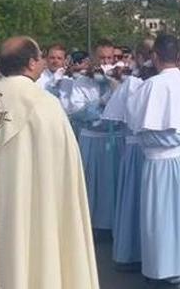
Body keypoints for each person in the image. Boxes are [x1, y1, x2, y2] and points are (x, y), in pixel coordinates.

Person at [0, 37, 98, 288]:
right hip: (34, 212)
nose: (42, 61)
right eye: (40, 56)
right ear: (31, 63)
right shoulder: (44, 104)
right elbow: (65, 171)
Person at [126, 34, 180, 288]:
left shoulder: (152, 85)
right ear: (178, 56)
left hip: (159, 161)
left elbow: (135, 120)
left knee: (159, 218)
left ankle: (165, 273)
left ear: (155, 56)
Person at [64, 48, 120, 234]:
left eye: (110, 58)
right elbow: (76, 112)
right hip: (92, 138)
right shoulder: (81, 82)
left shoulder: (121, 80)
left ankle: (114, 224)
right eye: (102, 58)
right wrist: (101, 102)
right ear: (94, 60)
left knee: (113, 184)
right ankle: (92, 226)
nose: (106, 62)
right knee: (92, 183)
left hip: (115, 139)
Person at [107, 44, 149, 272]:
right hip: (140, 148)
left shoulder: (134, 83)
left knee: (137, 199)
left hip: (138, 148)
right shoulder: (135, 82)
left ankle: (135, 249)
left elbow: (117, 116)